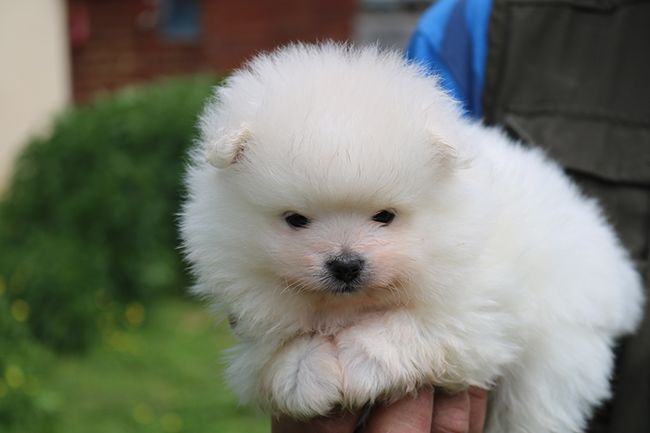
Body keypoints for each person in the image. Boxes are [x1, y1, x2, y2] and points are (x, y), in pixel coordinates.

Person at [276, 0, 650, 431]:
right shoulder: (472, 25)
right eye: (299, 220)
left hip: (568, 315)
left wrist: (409, 346)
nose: (345, 256)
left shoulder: (487, 215)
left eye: (382, 217)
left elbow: (480, 320)